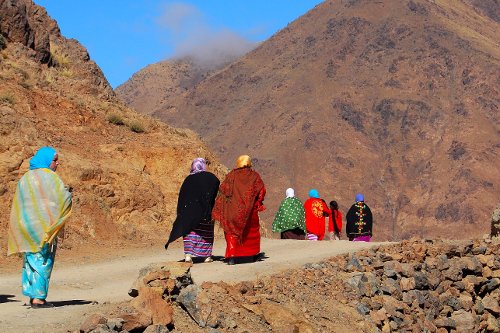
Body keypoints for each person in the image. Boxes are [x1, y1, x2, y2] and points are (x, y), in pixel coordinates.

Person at [7, 147, 73, 308]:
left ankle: (31, 293)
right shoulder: (51, 177)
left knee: (30, 258)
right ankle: (38, 298)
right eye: (55, 160)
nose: (57, 163)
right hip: (42, 227)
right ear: (46, 160)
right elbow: (61, 199)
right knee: (43, 260)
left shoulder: (25, 177)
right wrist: (69, 195)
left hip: (25, 226)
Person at [212, 155, 266, 265]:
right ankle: (252, 255)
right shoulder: (254, 176)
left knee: (231, 233)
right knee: (251, 232)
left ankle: (231, 257)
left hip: (231, 211)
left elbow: (223, 192)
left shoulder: (231, 176)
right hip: (249, 213)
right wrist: (258, 203)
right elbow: (262, 191)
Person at [165, 158, 220, 263]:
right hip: (206, 213)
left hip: (190, 214)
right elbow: (216, 186)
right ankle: (207, 257)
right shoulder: (212, 178)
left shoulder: (188, 180)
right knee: (206, 233)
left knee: (190, 232)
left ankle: (188, 255)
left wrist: (182, 213)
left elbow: (183, 198)